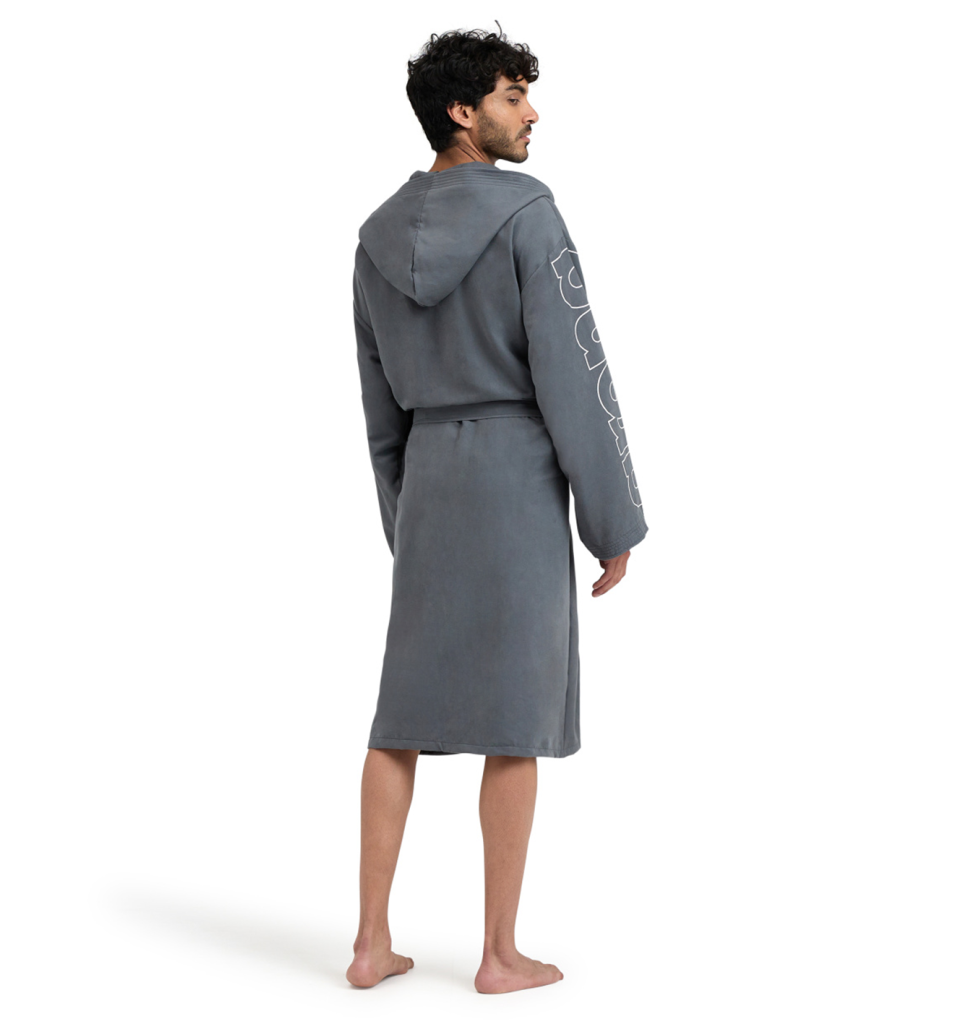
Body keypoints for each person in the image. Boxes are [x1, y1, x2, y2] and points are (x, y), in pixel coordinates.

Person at [346, 25, 649, 995]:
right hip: (515, 476)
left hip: (432, 478)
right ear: (461, 110)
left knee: (399, 718)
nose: (532, 113)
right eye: (513, 96)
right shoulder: (529, 215)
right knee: (515, 721)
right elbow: (576, 374)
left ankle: (369, 943)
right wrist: (612, 521)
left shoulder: (373, 237)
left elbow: (379, 408)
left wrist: (405, 521)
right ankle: (499, 953)